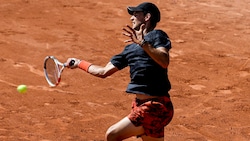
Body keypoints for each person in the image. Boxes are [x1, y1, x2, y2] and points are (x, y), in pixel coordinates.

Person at [66, 2, 174, 141]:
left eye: (136, 14)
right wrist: (79, 63)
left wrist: (143, 43)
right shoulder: (129, 49)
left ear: (147, 17)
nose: (131, 18)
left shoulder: (156, 36)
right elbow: (103, 71)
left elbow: (164, 61)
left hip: (156, 107)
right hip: (140, 106)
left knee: (112, 134)